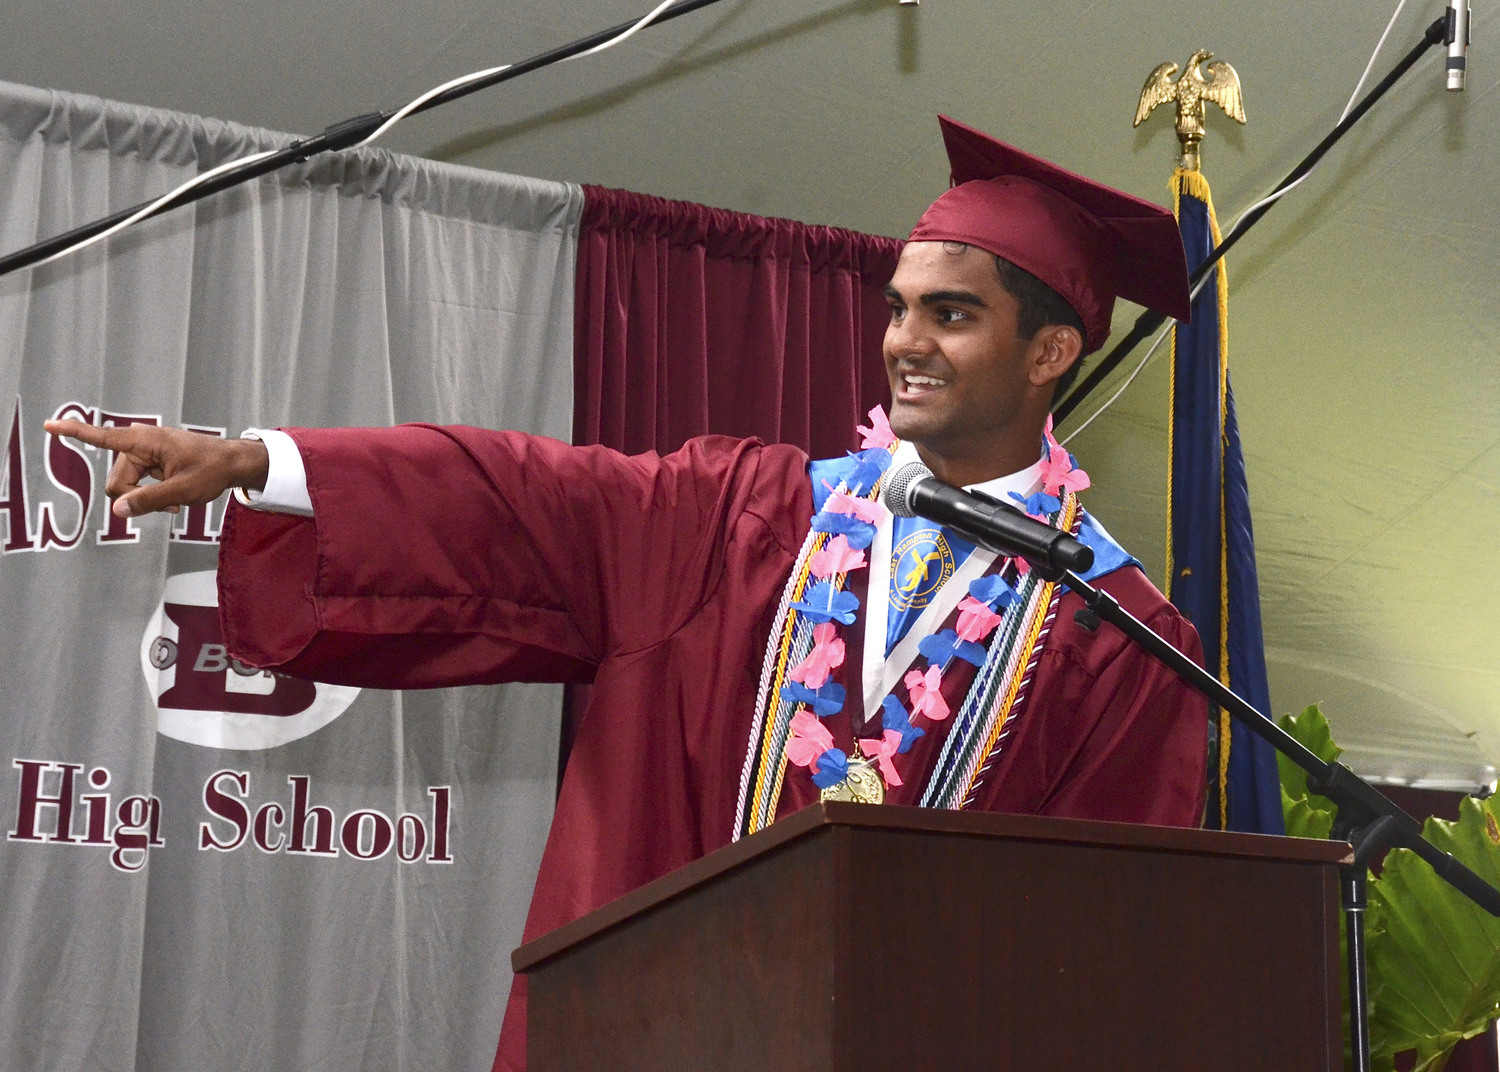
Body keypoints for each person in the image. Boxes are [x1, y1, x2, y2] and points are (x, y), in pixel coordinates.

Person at [47, 116, 1209, 1072]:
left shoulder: (1120, 639)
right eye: (899, 305)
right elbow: (518, 494)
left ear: (1051, 354)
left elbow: (1100, 945)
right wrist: (265, 462)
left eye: (950, 314)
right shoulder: (740, 518)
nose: (904, 339)